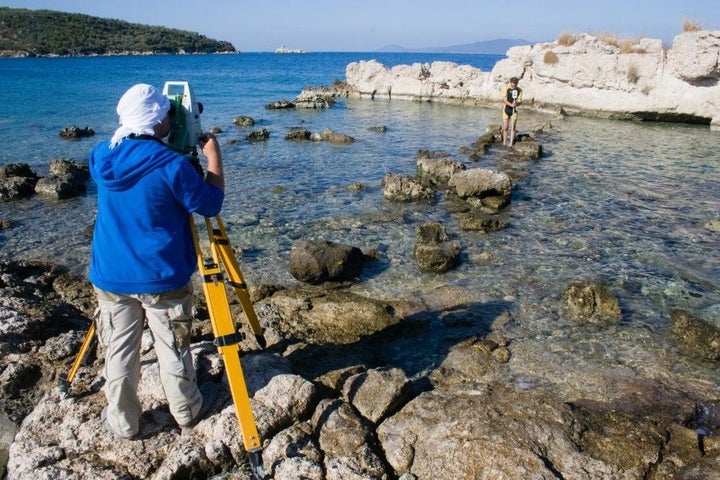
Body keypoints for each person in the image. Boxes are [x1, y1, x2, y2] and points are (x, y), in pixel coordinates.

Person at [88, 83, 224, 440]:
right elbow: (210, 204)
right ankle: (187, 410)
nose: (169, 117)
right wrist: (212, 156)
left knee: (119, 350)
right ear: (155, 119)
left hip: (111, 276)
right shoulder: (173, 166)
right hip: (162, 277)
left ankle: (123, 422)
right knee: (173, 347)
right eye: (165, 112)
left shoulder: (101, 156)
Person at [502, 76, 523, 146]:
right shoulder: (506, 89)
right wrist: (511, 105)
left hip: (514, 111)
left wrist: (517, 103)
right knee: (505, 127)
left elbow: (520, 101)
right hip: (506, 109)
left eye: (514, 85)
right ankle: (504, 142)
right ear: (510, 83)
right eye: (512, 85)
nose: (513, 86)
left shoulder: (519, 90)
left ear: (517, 84)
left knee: (513, 127)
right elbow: (504, 100)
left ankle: (511, 143)